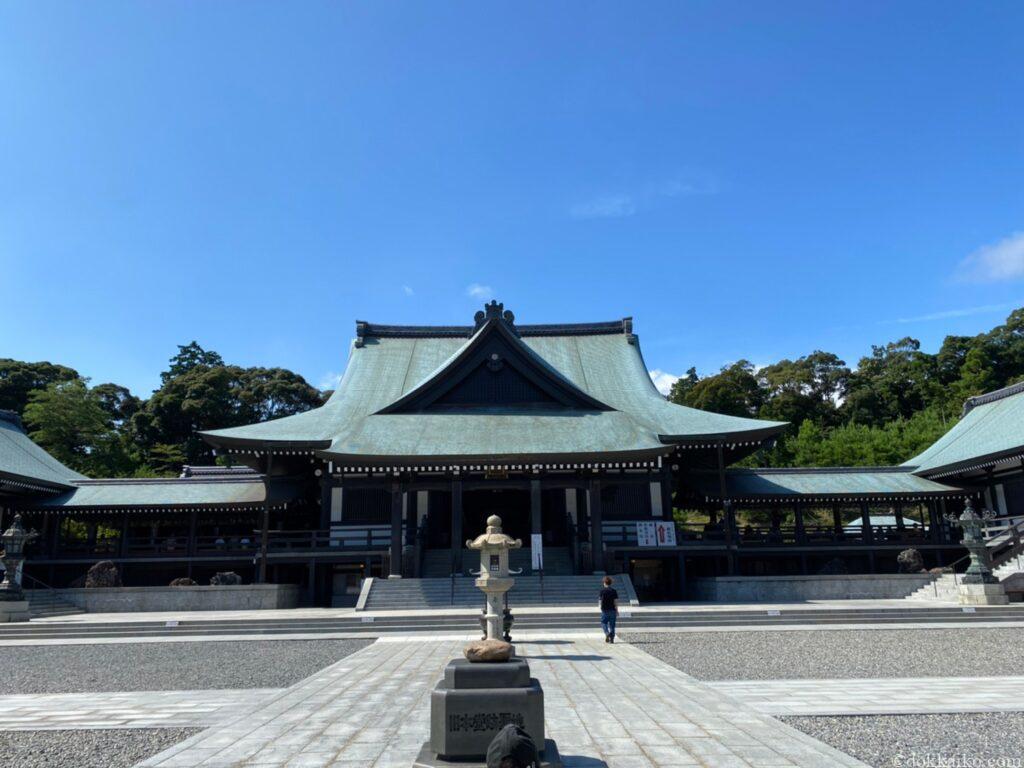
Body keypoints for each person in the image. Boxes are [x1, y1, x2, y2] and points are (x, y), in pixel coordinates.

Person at [599, 575, 618, 643]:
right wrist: (617, 610)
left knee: (603, 622)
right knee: (612, 625)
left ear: (604, 583)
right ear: (610, 583)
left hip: (605, 610)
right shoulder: (614, 591)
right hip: (612, 610)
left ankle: (607, 633)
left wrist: (600, 607)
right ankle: (612, 639)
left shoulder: (602, 591)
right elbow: (615, 601)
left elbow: (600, 601)